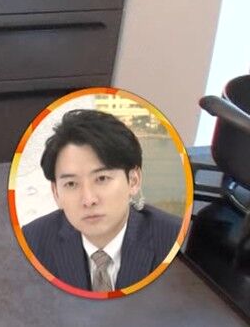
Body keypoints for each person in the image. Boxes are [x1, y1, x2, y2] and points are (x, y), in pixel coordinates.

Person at [20, 109, 183, 292]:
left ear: (133, 180)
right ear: (56, 192)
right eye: (71, 184)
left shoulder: (174, 240)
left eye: (102, 178)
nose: (88, 200)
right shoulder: (32, 243)